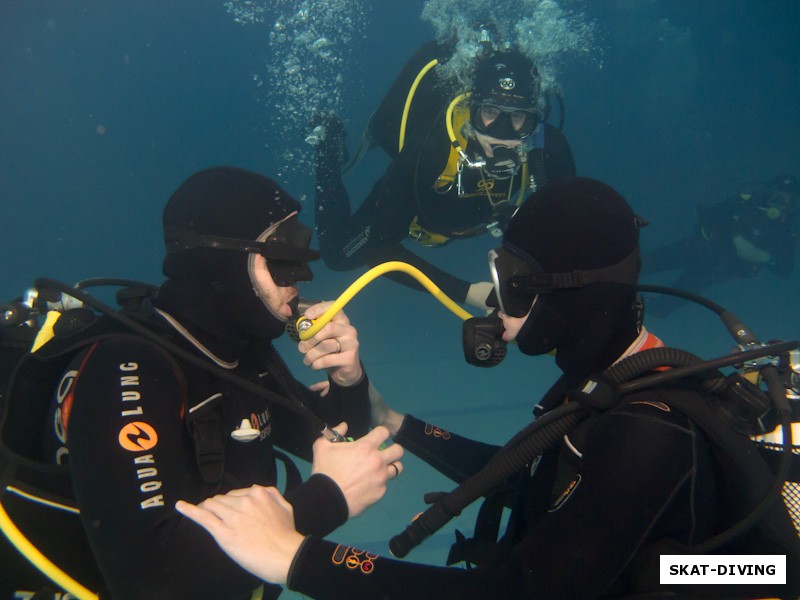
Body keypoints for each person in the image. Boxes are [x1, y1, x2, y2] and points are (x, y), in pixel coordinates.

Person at [177, 177, 799, 599]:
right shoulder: (620, 375)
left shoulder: (649, 429)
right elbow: (538, 474)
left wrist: (295, 558)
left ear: (569, 292)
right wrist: (394, 421)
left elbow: (515, 597)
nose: (492, 296)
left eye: (514, 279)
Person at [0, 166, 403, 599]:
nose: (302, 278)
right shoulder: (127, 369)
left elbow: (336, 443)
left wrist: (348, 379)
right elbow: (151, 583)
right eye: (282, 260)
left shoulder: (236, 353)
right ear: (224, 262)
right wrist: (326, 500)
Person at [312, 38, 576, 311]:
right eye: (489, 112)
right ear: (473, 110)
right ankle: (326, 143)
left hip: (461, 221)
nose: (502, 132)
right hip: (417, 210)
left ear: (535, 119)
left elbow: (567, 228)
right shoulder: (431, 149)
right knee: (338, 255)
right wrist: (469, 293)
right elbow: (380, 249)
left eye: (518, 117)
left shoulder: (546, 147)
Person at [643, 174, 798, 317]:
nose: (779, 204)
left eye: (787, 200)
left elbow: (785, 267)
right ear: (768, 193)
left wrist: (765, 257)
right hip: (699, 247)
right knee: (644, 264)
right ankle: (621, 278)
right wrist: (733, 237)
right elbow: (708, 215)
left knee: (669, 302)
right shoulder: (745, 202)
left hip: (719, 268)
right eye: (777, 197)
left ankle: (640, 308)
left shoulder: (787, 230)